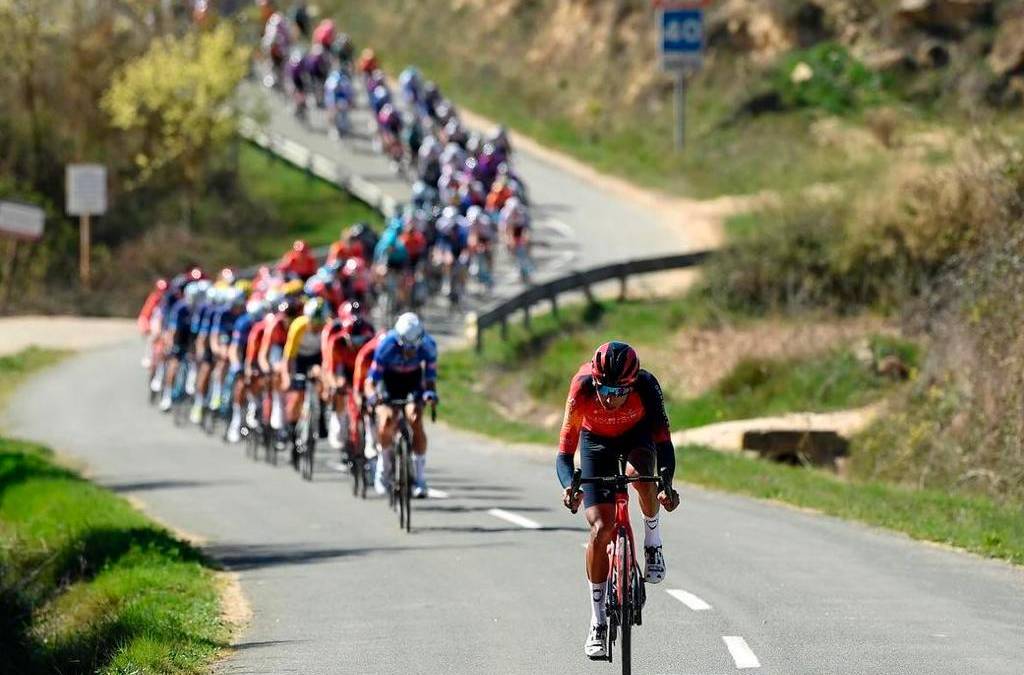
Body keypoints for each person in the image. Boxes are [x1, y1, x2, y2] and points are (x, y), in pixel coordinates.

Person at [555, 342, 680, 660]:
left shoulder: (646, 385)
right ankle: (597, 622)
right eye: (605, 389)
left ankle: (653, 542)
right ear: (595, 381)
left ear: (631, 384)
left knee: (641, 477)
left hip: (637, 435)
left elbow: (664, 444)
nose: (610, 398)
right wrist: (570, 486)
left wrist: (666, 483)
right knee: (601, 528)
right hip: (595, 442)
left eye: (619, 391)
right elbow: (564, 453)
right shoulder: (582, 386)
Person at [367, 313, 437, 498]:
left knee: (415, 418)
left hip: (413, 381)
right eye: (406, 347)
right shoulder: (386, 345)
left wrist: (430, 394)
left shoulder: (429, 345)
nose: (410, 351)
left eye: (414, 347)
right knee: (387, 421)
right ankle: (383, 469)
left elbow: (430, 377)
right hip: (389, 382)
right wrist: (373, 397)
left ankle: (420, 478)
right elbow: (372, 381)